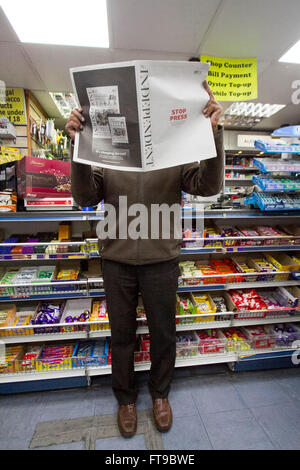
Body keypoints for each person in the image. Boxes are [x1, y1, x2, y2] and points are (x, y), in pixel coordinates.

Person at [66, 78, 224, 438]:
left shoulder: (173, 149)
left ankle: (160, 395)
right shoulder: (107, 147)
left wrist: (214, 135)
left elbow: (208, 186)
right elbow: (84, 196)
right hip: (117, 258)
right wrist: (76, 146)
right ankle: (125, 398)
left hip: (161, 259)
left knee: (163, 333)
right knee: (121, 334)